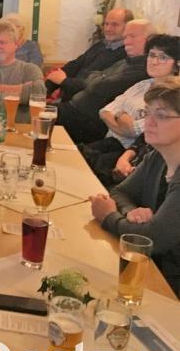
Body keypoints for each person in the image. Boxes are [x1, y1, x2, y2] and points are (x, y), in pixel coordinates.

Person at [90, 78, 180, 296]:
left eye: (161, 116)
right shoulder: (156, 157)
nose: (149, 123)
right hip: (152, 270)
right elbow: (120, 192)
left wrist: (109, 217)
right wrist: (131, 213)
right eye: (146, 113)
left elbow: (154, 239)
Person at [81, 34, 179, 185]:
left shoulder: (172, 96)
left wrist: (118, 116)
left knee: (85, 173)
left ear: (177, 64)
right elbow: (104, 111)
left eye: (163, 57)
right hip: (109, 142)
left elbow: (133, 131)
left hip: (130, 153)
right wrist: (122, 118)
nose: (154, 61)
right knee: (73, 155)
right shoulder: (143, 85)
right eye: (152, 55)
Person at [57, 19, 153, 144]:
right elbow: (91, 75)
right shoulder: (126, 61)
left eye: (132, 36)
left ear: (150, 40)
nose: (126, 41)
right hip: (76, 110)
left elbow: (99, 86)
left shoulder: (143, 68)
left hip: (89, 121)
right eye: (126, 37)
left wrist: (97, 78)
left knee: (37, 118)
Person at [46, 8, 132, 99]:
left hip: (83, 105)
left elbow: (96, 86)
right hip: (68, 98)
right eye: (106, 24)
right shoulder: (101, 45)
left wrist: (64, 81)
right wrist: (45, 89)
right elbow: (74, 65)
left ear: (128, 27)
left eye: (114, 25)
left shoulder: (126, 55)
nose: (108, 29)